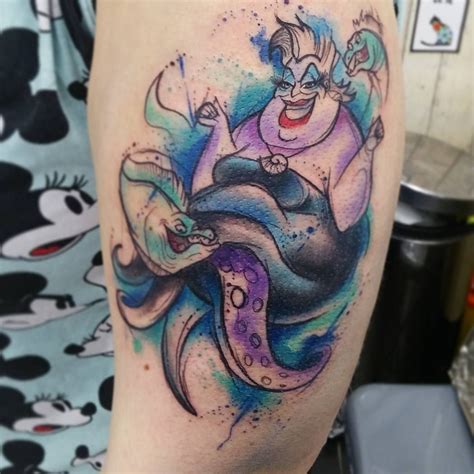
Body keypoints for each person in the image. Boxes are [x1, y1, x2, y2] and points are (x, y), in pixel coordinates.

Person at [0, 1, 403, 472]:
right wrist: (219, 132)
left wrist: (361, 153)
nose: (294, 92)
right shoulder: (263, 123)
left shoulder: (340, 132)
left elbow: (240, 459)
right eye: (287, 80)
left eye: (309, 81)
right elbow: (214, 178)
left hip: (298, 260)